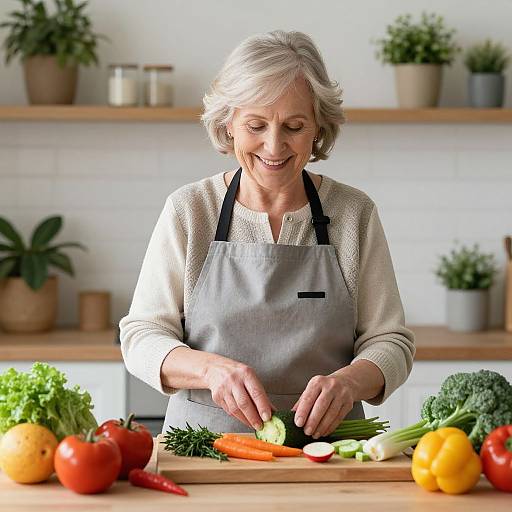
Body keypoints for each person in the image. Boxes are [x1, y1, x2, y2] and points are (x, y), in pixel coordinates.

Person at [119, 30, 415, 439]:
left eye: (294, 126)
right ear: (229, 126)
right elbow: (140, 336)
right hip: (203, 451)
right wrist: (209, 369)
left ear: (318, 129)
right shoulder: (190, 210)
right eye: (256, 125)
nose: (274, 147)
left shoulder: (352, 213)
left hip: (331, 459)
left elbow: (391, 342)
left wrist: (348, 383)